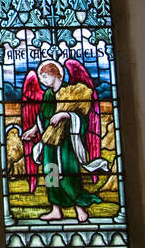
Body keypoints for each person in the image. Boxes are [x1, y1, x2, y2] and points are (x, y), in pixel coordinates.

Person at [21, 59, 109, 222]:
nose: (43, 81)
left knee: (70, 174)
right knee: (50, 174)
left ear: (56, 74)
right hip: (49, 143)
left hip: (67, 143)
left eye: (45, 77)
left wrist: (65, 115)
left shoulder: (73, 91)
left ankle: (79, 208)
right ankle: (56, 209)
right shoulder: (48, 94)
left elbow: (83, 119)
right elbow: (43, 116)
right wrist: (33, 130)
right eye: (41, 79)